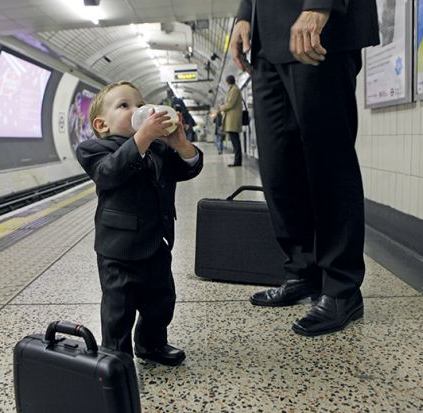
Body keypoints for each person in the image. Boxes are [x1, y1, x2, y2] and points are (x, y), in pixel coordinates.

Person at [231, 0, 379, 336]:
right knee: (278, 165)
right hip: (267, 39)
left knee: (328, 160)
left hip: (317, 27)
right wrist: (244, 14)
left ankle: (342, 288)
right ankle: (302, 271)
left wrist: (319, 5)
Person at [76, 81, 203, 365]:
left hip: (157, 242)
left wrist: (181, 144)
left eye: (140, 103)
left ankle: (151, 344)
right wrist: (141, 138)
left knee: (161, 301)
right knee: (118, 309)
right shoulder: (93, 149)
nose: (139, 109)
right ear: (101, 124)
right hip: (117, 251)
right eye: (125, 106)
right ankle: (116, 356)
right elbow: (109, 173)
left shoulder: (159, 149)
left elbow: (189, 168)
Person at [218, 75, 243, 166]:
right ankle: (237, 160)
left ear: (228, 81)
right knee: (234, 140)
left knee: (235, 141)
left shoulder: (234, 90)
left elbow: (230, 104)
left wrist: (221, 107)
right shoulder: (232, 89)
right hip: (231, 119)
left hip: (233, 119)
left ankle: (237, 161)